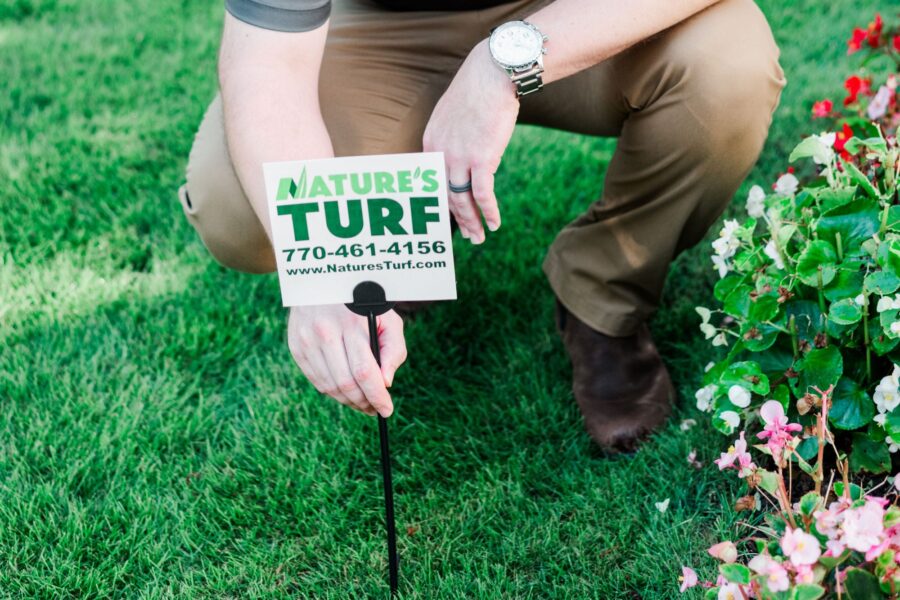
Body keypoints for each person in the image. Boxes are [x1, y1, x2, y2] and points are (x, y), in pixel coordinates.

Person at [178, 0, 785, 452]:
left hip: (580, 9)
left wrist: (502, 62)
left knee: (727, 69)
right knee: (239, 207)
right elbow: (267, 66)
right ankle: (400, 239)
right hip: (384, 23)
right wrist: (319, 267)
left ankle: (602, 294)